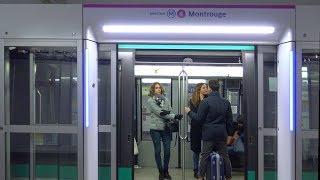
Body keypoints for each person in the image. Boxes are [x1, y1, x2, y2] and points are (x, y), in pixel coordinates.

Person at [185, 79, 233, 180]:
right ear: (218, 88)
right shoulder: (226, 102)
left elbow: (198, 119)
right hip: (221, 133)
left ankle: (201, 176)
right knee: (225, 156)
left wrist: (189, 112)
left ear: (210, 89)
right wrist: (230, 135)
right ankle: (228, 177)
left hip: (209, 133)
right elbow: (229, 121)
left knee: (205, 156)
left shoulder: (205, 102)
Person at [146, 82, 182, 180]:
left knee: (167, 151)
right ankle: (160, 171)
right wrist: (174, 116)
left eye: (159, 88)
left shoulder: (166, 99)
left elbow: (169, 111)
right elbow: (160, 113)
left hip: (166, 128)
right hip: (155, 129)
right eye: (156, 88)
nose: (158, 89)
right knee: (158, 151)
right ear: (153, 90)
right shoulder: (150, 101)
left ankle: (166, 170)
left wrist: (172, 115)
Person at [188, 83, 208, 178]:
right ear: (199, 89)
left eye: (206, 88)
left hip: (206, 127)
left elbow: (206, 114)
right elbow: (197, 114)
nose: (206, 89)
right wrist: (201, 100)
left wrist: (203, 100)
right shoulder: (192, 101)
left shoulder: (209, 100)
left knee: (206, 150)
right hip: (196, 128)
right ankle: (196, 170)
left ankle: (204, 169)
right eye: (203, 88)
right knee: (196, 150)